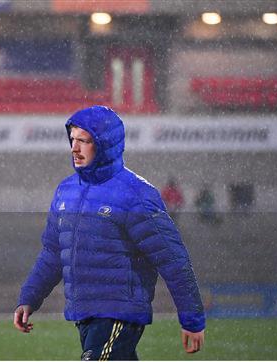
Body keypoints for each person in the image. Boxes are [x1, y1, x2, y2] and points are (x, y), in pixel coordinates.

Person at [13, 106, 205, 360]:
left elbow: (172, 258)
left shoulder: (135, 194)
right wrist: (28, 299)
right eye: (72, 139)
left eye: (84, 140)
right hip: (84, 313)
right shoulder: (65, 191)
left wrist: (191, 318)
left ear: (104, 144)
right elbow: (53, 254)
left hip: (120, 312)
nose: (74, 148)